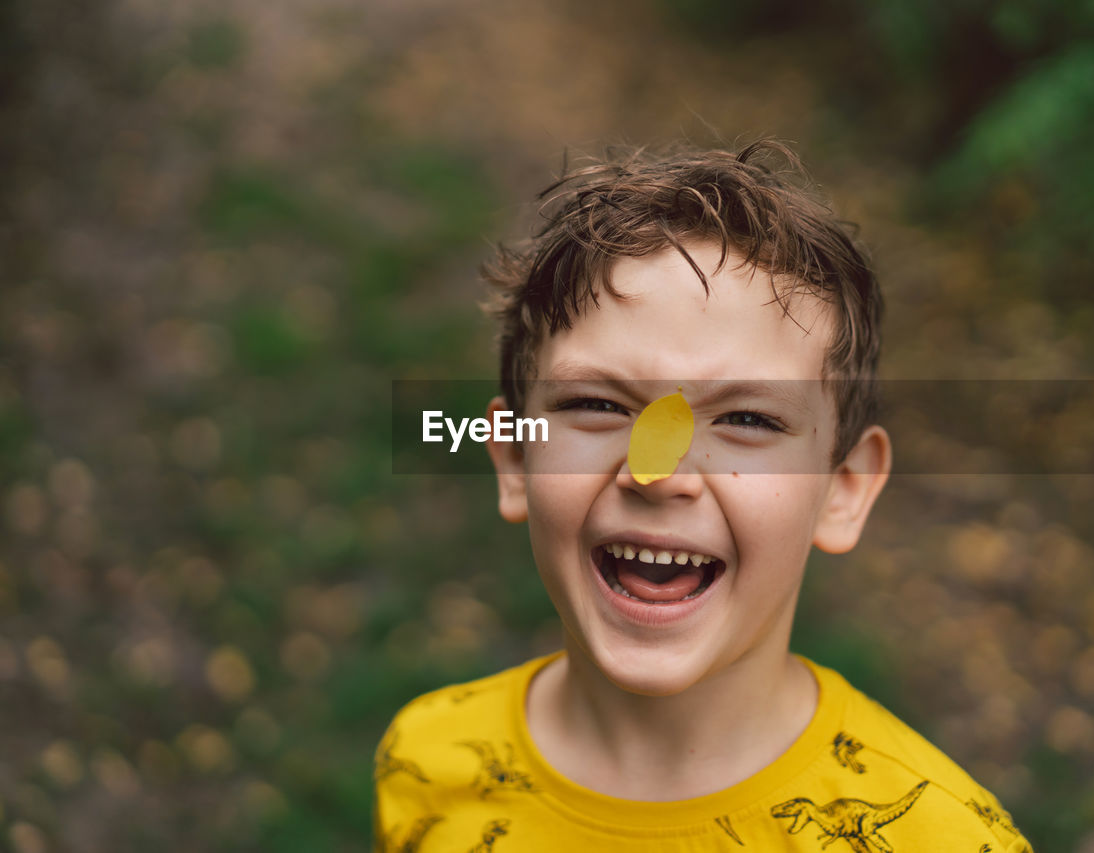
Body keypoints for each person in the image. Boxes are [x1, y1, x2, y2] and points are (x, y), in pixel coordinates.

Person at [374, 141, 1032, 852]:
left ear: (842, 490)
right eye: (597, 404)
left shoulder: (944, 839)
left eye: (748, 418)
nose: (659, 474)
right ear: (513, 459)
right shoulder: (426, 763)